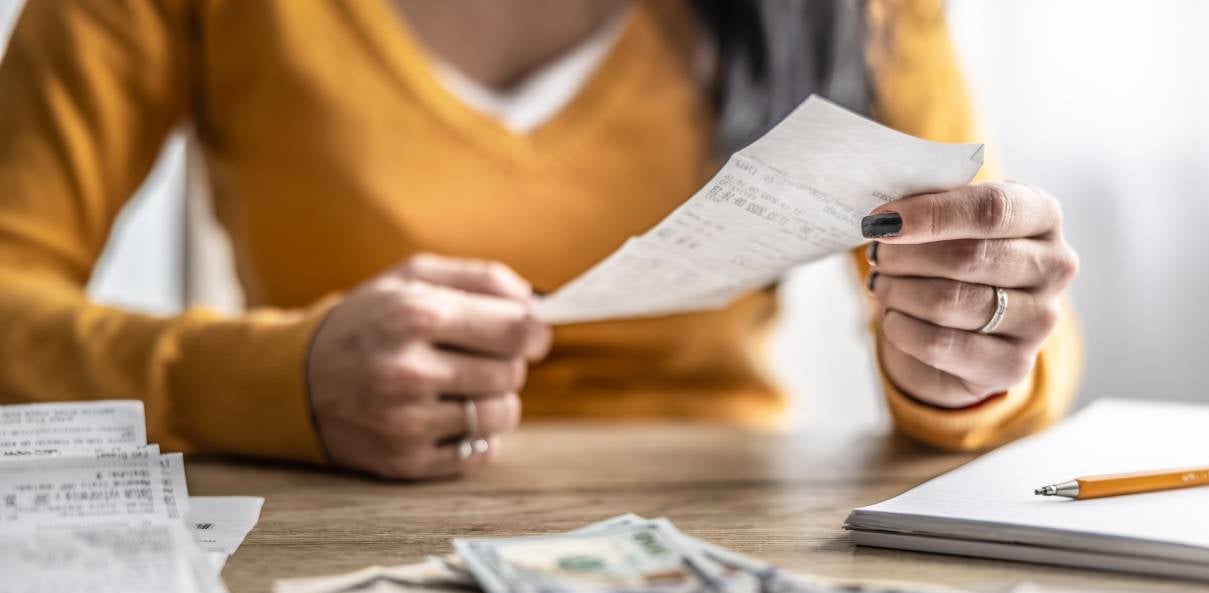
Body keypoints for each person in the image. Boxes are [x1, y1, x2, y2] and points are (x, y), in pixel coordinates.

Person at [0, 0, 1080, 479]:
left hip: (733, 526)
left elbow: (1006, 304)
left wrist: (966, 361)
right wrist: (271, 381)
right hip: (323, 521)